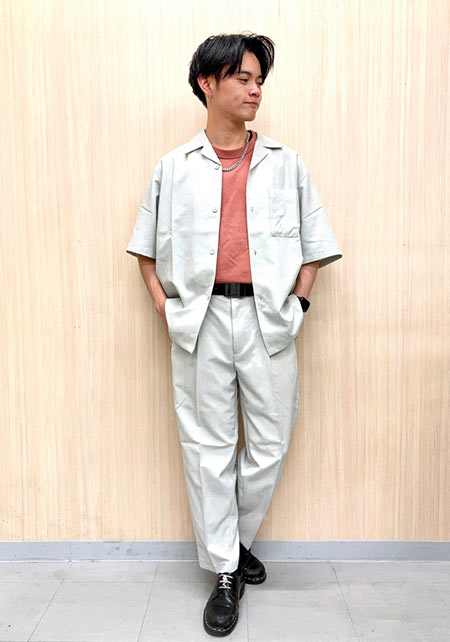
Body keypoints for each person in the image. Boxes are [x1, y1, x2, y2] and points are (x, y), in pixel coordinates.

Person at [126, 32, 343, 637]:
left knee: (269, 443)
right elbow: (144, 250)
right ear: (208, 83)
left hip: (268, 319)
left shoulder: (286, 163)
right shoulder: (174, 167)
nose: (255, 91)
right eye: (243, 79)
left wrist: (300, 302)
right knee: (208, 447)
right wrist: (165, 308)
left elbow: (315, 245)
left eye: (259, 81)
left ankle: (233, 541)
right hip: (198, 320)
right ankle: (226, 570)